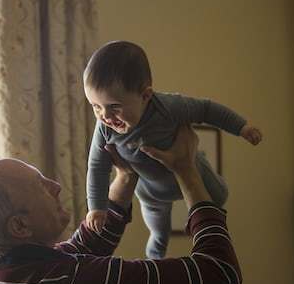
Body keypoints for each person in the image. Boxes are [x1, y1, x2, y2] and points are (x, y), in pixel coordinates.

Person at [0, 125, 242, 284]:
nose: (56, 187)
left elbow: (78, 249)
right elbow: (219, 272)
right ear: (20, 225)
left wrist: (125, 177)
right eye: (42, 187)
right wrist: (187, 172)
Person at [84, 40, 262, 258]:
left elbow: (207, 110)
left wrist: (241, 127)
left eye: (114, 107)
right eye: (95, 106)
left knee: (220, 196)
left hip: (192, 168)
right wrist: (97, 207)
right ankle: (156, 257)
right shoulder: (104, 128)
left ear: (145, 96)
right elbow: (97, 166)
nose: (105, 116)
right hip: (151, 192)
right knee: (159, 230)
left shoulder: (168, 108)